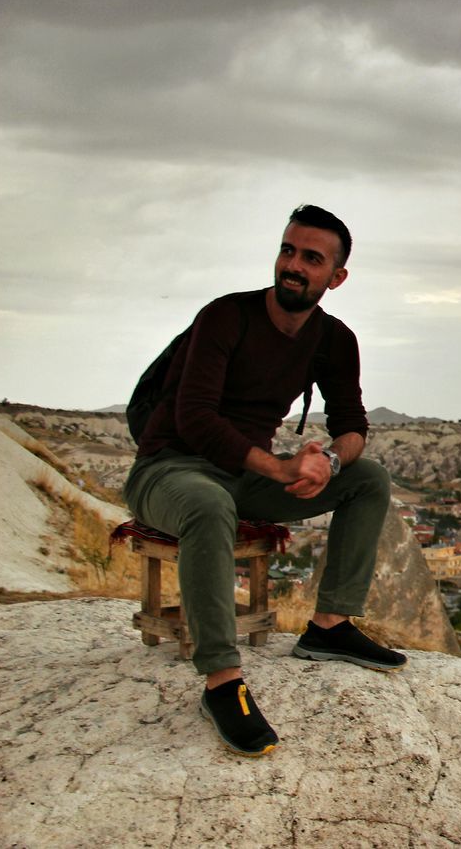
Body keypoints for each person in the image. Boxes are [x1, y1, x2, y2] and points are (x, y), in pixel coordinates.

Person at [123, 204, 405, 757]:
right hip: (169, 468)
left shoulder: (333, 340)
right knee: (207, 504)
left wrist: (331, 462)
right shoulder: (226, 317)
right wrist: (279, 466)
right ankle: (223, 682)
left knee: (369, 478)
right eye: (288, 250)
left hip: (240, 475)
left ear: (336, 277)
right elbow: (194, 419)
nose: (293, 265)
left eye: (312, 258)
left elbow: (353, 425)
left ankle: (328, 626)